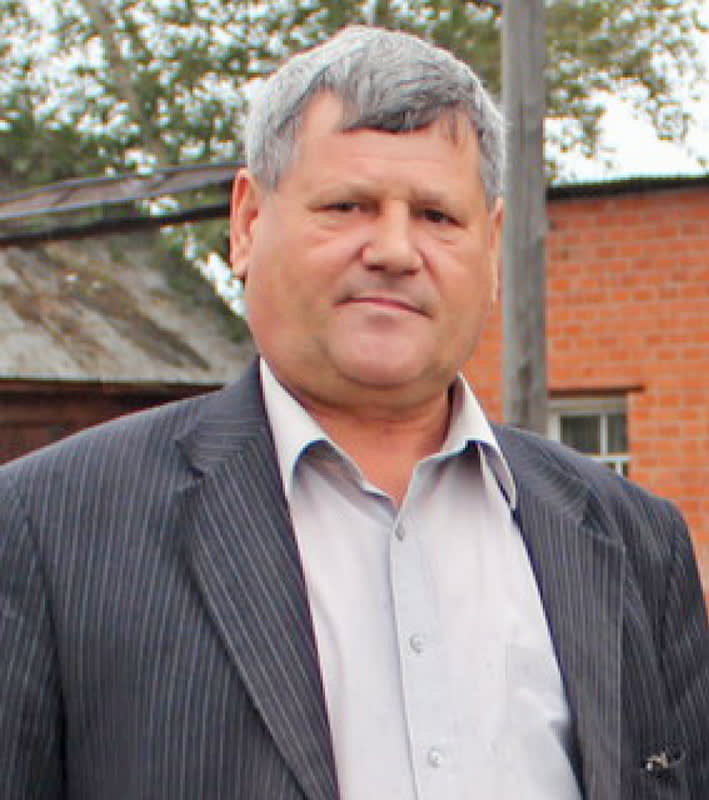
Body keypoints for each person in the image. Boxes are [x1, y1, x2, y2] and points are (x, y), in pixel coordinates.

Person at [1, 25, 707, 800]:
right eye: (347, 206)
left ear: (493, 247)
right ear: (246, 222)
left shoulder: (635, 543)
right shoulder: (49, 531)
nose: (395, 250)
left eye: (437, 216)